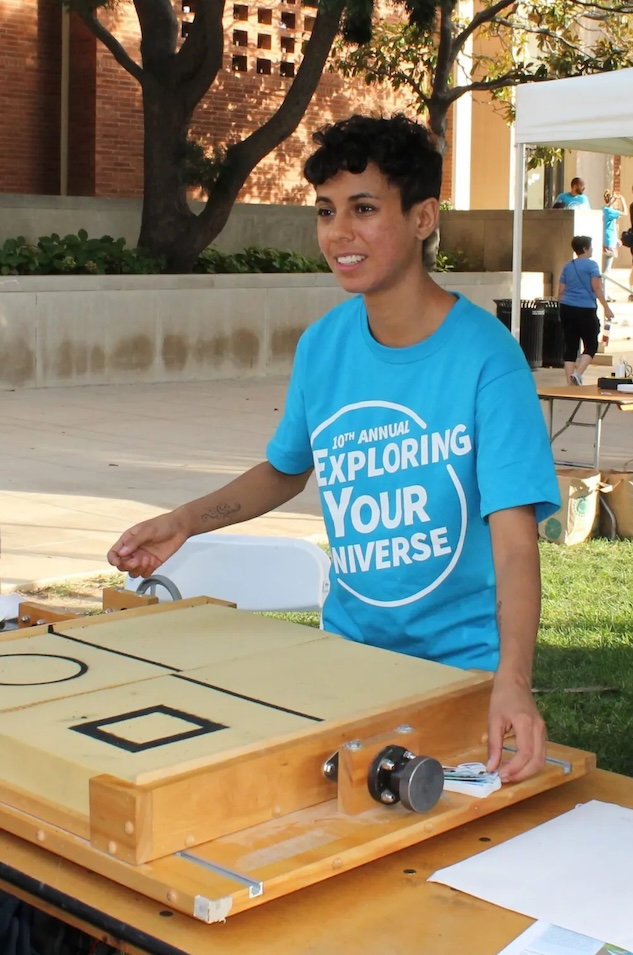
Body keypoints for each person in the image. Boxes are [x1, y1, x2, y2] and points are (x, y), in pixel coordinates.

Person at [107, 114, 560, 785]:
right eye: (325, 212)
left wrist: (513, 682)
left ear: (423, 217)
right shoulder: (323, 345)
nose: (339, 234)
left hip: (460, 676)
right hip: (346, 666)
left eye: (364, 209)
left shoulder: (487, 359)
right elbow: (287, 469)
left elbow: (516, 543)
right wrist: (184, 520)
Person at [559, 235, 614, 386]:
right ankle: (577, 373)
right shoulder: (592, 266)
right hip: (585, 309)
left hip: (566, 307)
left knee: (570, 345)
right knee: (591, 345)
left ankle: (569, 382)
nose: (592, 249)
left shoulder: (568, 266)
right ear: (585, 248)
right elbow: (596, 287)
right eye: (590, 246)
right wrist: (607, 308)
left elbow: (561, 290)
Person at [601, 189, 627, 296]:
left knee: (605, 268)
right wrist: (622, 200)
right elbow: (625, 213)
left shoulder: (603, 209)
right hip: (609, 241)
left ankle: (604, 292)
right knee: (606, 271)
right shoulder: (610, 211)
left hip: (607, 240)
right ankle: (604, 293)